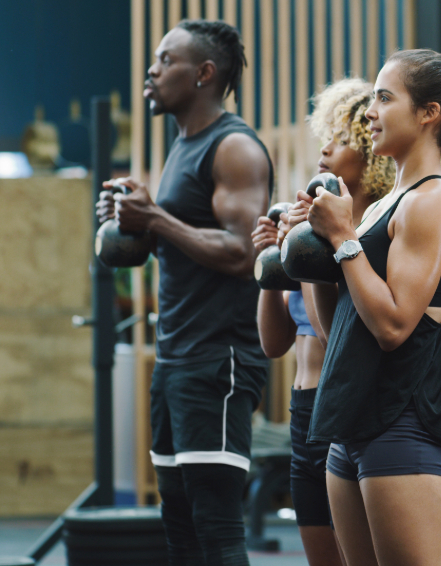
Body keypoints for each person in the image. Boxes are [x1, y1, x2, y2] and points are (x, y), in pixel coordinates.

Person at [286, 49, 441, 566]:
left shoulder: (433, 201)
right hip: (348, 425)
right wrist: (314, 251)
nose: (371, 112)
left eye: (384, 98)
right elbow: (338, 332)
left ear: (428, 114)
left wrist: (342, 239)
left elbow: (394, 326)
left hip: (401, 426)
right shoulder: (379, 206)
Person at [96, 19, 272, 565]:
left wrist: (156, 218)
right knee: (180, 526)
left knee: (215, 525)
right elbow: (185, 242)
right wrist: (136, 224)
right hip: (175, 358)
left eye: (165, 60)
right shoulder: (183, 146)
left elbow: (243, 253)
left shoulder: (233, 147)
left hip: (218, 359)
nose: (151, 71)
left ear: (204, 73)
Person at [250, 77, 394, 566]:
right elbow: (273, 343)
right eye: (326, 137)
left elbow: (336, 336)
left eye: (343, 139)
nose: (326, 149)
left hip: (343, 408)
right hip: (303, 411)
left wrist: (309, 255)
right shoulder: (311, 226)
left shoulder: (366, 233)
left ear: (371, 154)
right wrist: (275, 260)